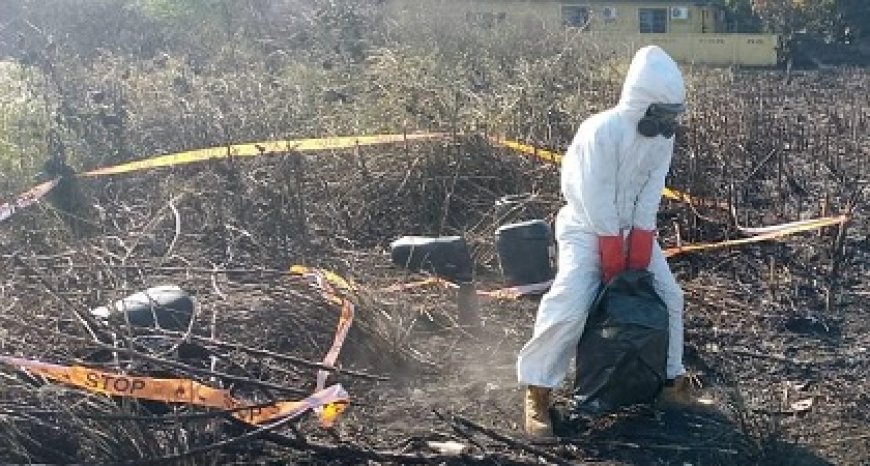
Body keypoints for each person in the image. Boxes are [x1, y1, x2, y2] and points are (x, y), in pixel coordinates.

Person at [517, 46, 698, 437]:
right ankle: (538, 391)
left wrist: (640, 246)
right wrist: (613, 258)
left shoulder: (662, 139)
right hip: (585, 227)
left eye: (673, 116)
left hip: (633, 230)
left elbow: (650, 194)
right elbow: (596, 196)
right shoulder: (601, 131)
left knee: (669, 297)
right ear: (641, 103)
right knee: (572, 302)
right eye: (662, 114)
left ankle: (670, 381)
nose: (668, 124)